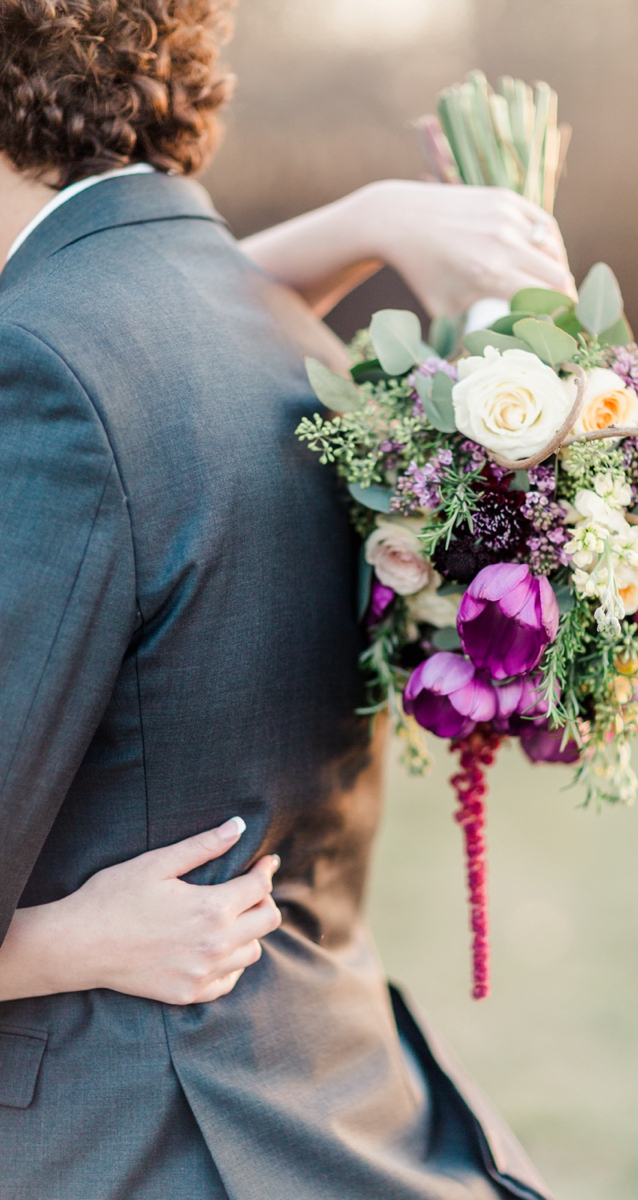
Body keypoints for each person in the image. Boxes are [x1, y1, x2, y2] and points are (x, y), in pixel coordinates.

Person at [0, 2, 573, 1197]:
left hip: (117, 1140)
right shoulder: (273, 335)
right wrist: (52, 942)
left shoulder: (45, 368)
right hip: (325, 1098)